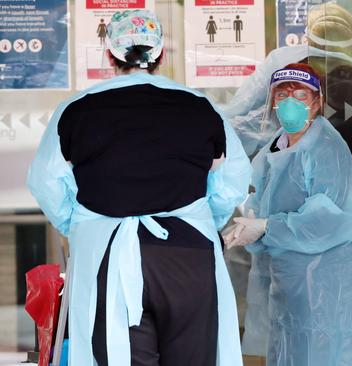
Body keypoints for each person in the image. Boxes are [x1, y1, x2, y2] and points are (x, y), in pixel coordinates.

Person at [27, 9, 251, 366]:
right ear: (160, 55)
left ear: (110, 55)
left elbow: (45, 181)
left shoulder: (77, 109)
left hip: (109, 254)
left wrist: (80, 225)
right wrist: (204, 221)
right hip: (189, 253)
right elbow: (234, 176)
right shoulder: (200, 106)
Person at [223, 63, 352, 365]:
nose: (290, 102)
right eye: (282, 95)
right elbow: (263, 204)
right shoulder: (277, 146)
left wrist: (266, 227)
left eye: (300, 94)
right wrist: (252, 228)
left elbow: (328, 221)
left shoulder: (324, 148)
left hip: (326, 282)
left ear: (317, 101)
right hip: (290, 281)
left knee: (321, 354)